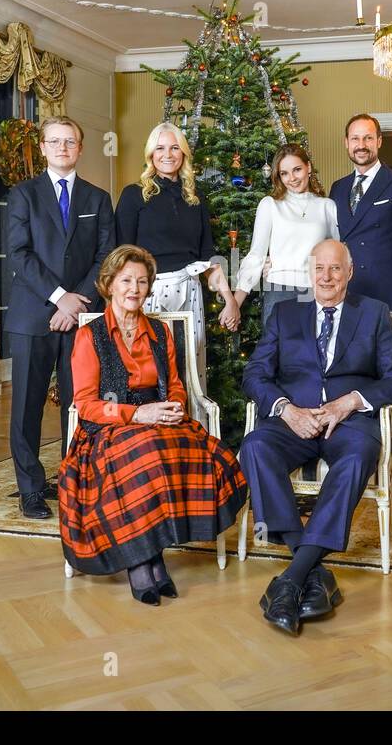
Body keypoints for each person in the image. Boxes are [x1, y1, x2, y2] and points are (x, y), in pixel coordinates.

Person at [58, 245, 249, 605]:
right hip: (108, 427)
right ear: (110, 284)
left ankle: (148, 557)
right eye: (126, 280)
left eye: (142, 281)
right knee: (143, 453)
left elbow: (175, 384)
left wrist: (174, 406)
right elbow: (86, 405)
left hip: (158, 417)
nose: (135, 288)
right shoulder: (90, 336)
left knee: (199, 453)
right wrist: (135, 415)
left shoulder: (160, 333)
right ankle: (146, 564)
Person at [239, 239, 392, 635]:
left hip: (347, 422)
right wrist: (286, 409)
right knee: (255, 446)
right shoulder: (285, 315)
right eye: (320, 268)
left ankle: (291, 581)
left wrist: (350, 401)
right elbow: (255, 375)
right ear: (309, 272)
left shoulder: (372, 314)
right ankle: (311, 572)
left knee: (356, 457)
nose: (327, 276)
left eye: (336, 269)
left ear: (349, 273)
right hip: (293, 420)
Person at [3, 116, 114, 520]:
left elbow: (106, 257)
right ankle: (31, 489)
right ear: (44, 147)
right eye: (54, 141)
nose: (62, 147)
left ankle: (74, 478)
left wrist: (78, 302)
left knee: (79, 402)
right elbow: (19, 255)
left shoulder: (98, 199)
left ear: (80, 148)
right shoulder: (23, 195)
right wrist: (59, 298)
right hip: (34, 314)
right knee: (27, 407)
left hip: (83, 317)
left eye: (70, 141)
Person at [115, 122, 240, 386]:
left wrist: (229, 300)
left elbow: (208, 257)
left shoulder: (195, 197)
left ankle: (189, 425)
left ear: (183, 153)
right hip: (147, 294)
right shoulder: (134, 195)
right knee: (148, 371)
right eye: (160, 148)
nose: (167, 154)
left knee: (188, 370)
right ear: (151, 154)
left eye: (174, 147)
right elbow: (122, 257)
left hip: (190, 293)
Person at [328, 114, 392, 338]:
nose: (361, 145)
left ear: (379, 141)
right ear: (347, 143)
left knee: (387, 368)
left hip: (386, 298)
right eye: (355, 139)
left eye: (368, 138)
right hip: (344, 294)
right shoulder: (338, 188)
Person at [233, 144, 339, 325]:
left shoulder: (327, 206)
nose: (292, 178)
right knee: (278, 352)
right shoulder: (270, 205)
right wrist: (235, 303)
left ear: (309, 167)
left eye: (297, 169)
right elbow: (256, 256)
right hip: (278, 291)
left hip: (316, 292)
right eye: (284, 173)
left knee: (317, 352)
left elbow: (338, 253)